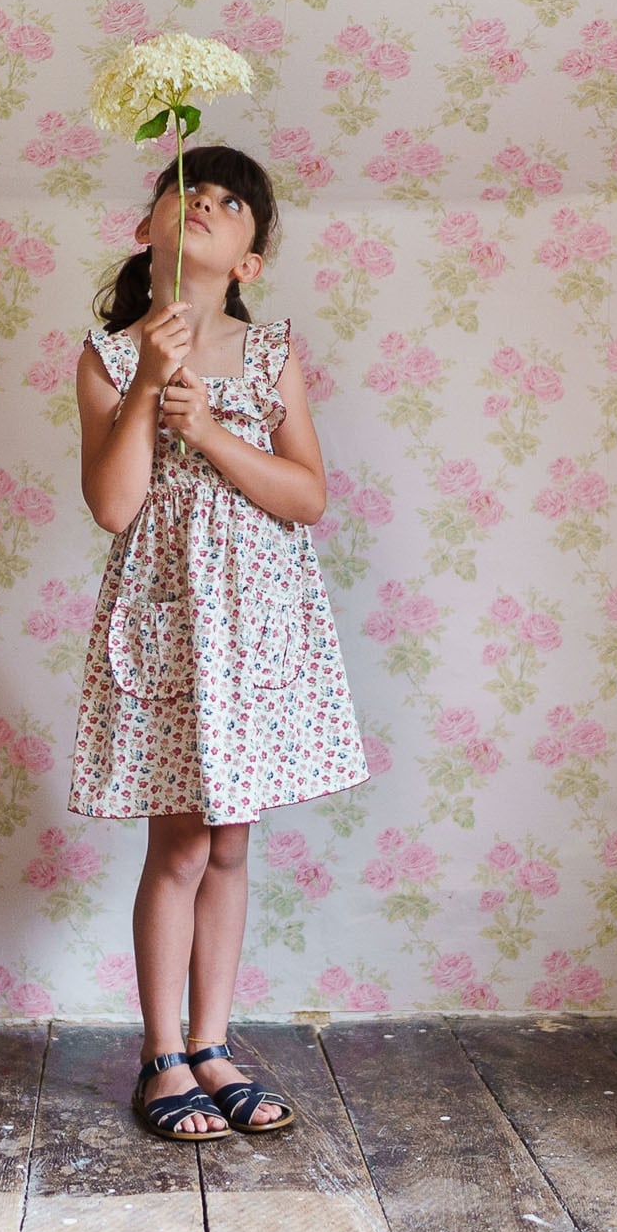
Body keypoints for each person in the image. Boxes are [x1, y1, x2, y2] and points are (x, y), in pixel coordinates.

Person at [69, 145, 371, 1140]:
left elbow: (306, 496)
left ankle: (212, 1044)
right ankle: (161, 1054)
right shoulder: (110, 356)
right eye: (185, 190)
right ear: (146, 228)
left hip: (257, 632)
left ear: (249, 260)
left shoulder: (270, 351)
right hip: (171, 630)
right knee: (182, 842)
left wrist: (208, 433)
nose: (202, 204)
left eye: (229, 202)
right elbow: (114, 506)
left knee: (231, 840)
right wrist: (152, 384)